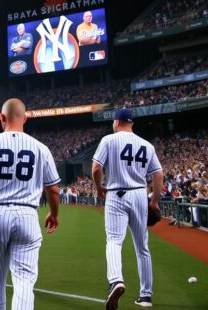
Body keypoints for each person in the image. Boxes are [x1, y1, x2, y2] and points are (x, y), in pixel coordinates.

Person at [0, 98, 61, 310]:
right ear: (25, 118)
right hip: (27, 214)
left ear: (2, 118)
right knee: (24, 280)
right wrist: (54, 214)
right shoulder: (41, 148)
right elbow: (53, 190)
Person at [91, 108, 163, 309]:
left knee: (114, 241)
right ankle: (146, 296)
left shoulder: (109, 140)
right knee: (143, 247)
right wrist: (154, 201)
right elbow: (158, 175)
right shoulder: (146, 145)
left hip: (116, 193)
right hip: (140, 194)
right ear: (131, 123)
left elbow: (96, 168)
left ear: (116, 122)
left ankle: (116, 280)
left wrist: (99, 187)